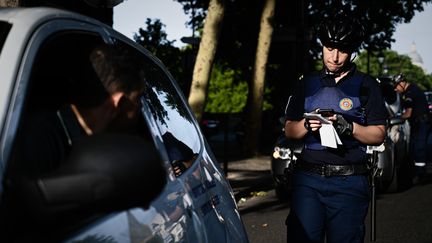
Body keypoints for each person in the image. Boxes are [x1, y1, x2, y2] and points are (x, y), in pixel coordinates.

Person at [283, 12, 388, 243]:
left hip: (349, 182)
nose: (335, 57)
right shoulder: (306, 83)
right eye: (330, 48)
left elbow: (379, 134)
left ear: (352, 51)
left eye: (343, 50)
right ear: (322, 46)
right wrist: (306, 125)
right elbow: (289, 130)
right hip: (308, 180)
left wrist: (349, 127)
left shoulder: (367, 85)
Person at [12, 43, 147, 177]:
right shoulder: (39, 143)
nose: (141, 107)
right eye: (138, 98)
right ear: (119, 102)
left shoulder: (68, 133)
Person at [393, 73, 430, 181]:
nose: (395, 89)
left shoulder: (409, 93)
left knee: (419, 147)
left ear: (402, 83)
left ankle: (420, 175)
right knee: (415, 146)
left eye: (396, 86)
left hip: (420, 122)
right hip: (421, 121)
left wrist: (397, 118)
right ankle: (419, 173)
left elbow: (408, 113)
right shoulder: (414, 89)